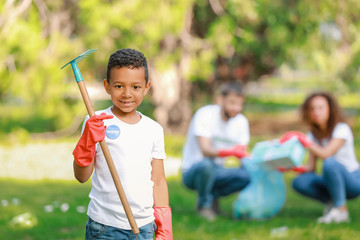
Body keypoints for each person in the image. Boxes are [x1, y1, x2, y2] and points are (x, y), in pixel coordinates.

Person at [73, 48, 172, 239]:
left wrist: (164, 224)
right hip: (105, 226)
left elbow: (158, 180)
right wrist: (87, 141)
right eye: (119, 86)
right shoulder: (96, 121)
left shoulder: (154, 129)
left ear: (147, 87)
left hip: (144, 225)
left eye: (135, 87)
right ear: (107, 86)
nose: (127, 94)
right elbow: (81, 176)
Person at [280, 92, 360, 224]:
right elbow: (311, 168)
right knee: (300, 182)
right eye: (312, 108)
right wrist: (288, 166)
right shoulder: (313, 135)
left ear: (330, 109)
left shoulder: (341, 129)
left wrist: (305, 141)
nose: (316, 112)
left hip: (353, 180)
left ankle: (341, 211)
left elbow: (326, 154)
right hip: (331, 180)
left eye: (320, 107)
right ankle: (332, 204)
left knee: (329, 163)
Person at [181, 81, 251, 221]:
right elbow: (205, 150)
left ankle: (213, 199)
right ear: (221, 99)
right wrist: (231, 152)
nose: (236, 108)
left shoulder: (241, 122)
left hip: (219, 170)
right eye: (232, 102)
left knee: (246, 176)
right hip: (194, 169)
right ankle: (204, 206)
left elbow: (244, 156)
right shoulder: (205, 114)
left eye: (240, 104)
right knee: (207, 165)